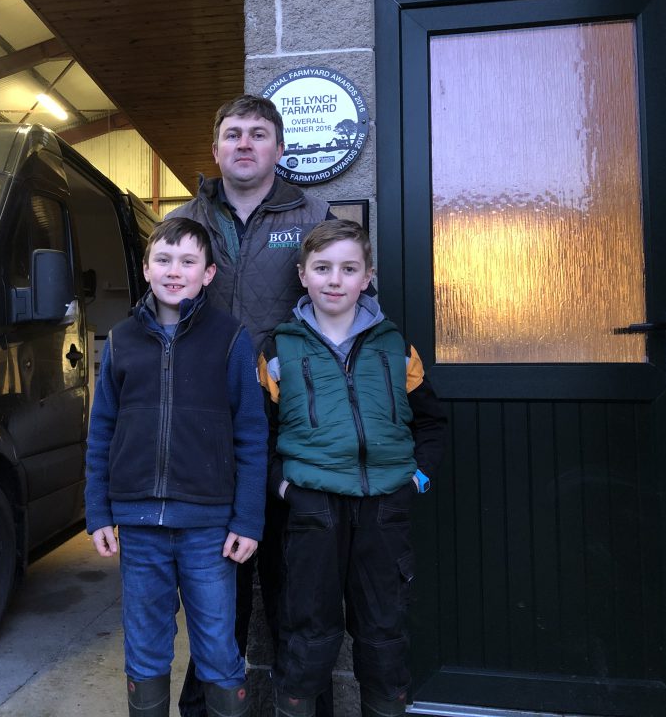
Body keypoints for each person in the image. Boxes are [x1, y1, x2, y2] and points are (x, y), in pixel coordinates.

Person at [168, 94, 332, 716]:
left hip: (294, 429)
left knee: (297, 590)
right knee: (215, 593)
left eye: (258, 134)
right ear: (214, 150)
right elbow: (159, 310)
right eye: (232, 134)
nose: (244, 144)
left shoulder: (314, 214)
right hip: (208, 431)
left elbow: (347, 303)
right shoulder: (185, 222)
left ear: (278, 149)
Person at [259, 220, 446, 717]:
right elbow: (260, 435)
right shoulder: (278, 352)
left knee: (383, 635)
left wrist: (416, 477)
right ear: (303, 275)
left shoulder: (396, 348)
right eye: (322, 268)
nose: (334, 280)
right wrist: (282, 487)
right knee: (307, 635)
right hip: (312, 511)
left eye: (348, 269)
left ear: (367, 277)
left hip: (385, 509)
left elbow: (431, 423)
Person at [85, 217, 268, 717]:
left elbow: (252, 435)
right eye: (163, 259)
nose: (174, 271)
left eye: (188, 261)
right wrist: (99, 511)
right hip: (140, 528)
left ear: (208, 273)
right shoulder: (122, 340)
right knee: (145, 648)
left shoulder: (231, 339)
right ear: (146, 268)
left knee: (217, 647)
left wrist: (247, 519)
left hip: (209, 529)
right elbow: (101, 430)